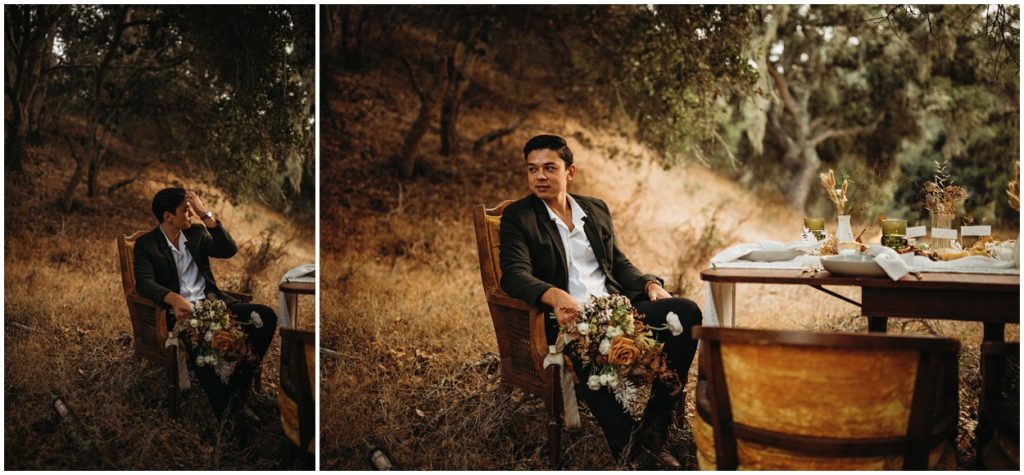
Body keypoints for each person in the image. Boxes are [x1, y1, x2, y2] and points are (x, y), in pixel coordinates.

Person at [499, 134, 702, 469]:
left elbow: (618, 265)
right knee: (583, 337)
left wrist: (649, 284)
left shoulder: (594, 209)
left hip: (618, 308)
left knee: (686, 312)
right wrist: (555, 294)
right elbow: (514, 275)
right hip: (568, 317)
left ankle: (654, 428)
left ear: (570, 172)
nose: (540, 177)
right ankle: (635, 453)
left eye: (550, 168)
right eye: (532, 169)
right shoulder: (520, 217)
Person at [133, 187, 277, 423]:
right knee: (201, 339)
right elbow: (144, 283)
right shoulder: (147, 245)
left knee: (265, 316)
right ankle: (228, 415)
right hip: (183, 313)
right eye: (185, 211)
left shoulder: (197, 233)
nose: (190, 215)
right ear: (168, 216)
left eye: (191, 210)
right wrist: (173, 297)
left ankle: (238, 389)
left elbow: (229, 250)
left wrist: (204, 213)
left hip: (215, 305)